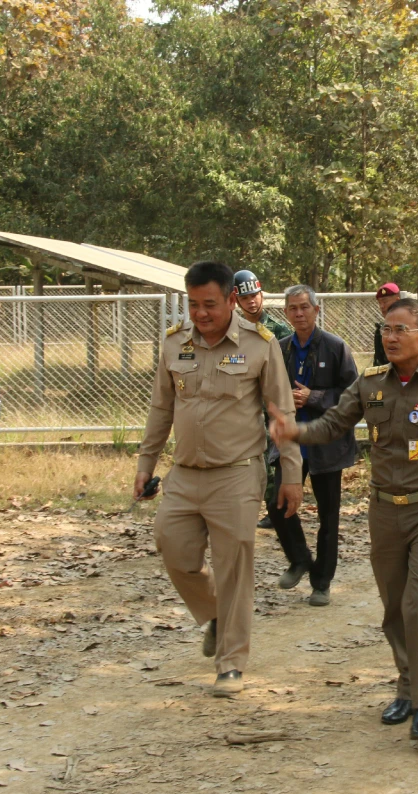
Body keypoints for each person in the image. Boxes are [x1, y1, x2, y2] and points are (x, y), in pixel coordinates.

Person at [268, 298, 418, 742]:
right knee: (394, 606)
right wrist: (296, 432)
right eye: (386, 328)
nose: (390, 336)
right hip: (384, 511)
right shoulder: (369, 385)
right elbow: (332, 425)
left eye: (401, 329)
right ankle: (406, 683)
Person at [134, 261, 302, 697]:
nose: (201, 313)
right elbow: (161, 409)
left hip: (237, 474)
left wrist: (291, 474)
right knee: (174, 548)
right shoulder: (175, 344)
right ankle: (212, 615)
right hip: (185, 474)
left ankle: (231, 662)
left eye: (209, 304)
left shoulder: (261, 345)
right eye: (193, 304)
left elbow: (281, 413)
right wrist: (145, 463)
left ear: (231, 300)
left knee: (234, 569)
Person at [267, 285, 359, 606]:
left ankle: (322, 582)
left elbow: (352, 396)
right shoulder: (279, 349)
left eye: (305, 307)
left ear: (316, 310)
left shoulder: (336, 347)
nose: (299, 313)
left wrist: (314, 397)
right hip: (291, 443)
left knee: (328, 516)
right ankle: (300, 558)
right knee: (277, 504)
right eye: (293, 308)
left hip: (326, 444)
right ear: (286, 314)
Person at [231, 270, 293, 532]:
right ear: (237, 299)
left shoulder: (279, 330)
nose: (252, 301)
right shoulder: (232, 331)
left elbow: (287, 370)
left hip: (271, 404)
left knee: (271, 458)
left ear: (261, 293)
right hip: (243, 405)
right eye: (245, 297)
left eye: (254, 295)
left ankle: (273, 509)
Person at [373, 283, 403, 366]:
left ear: (397, 301)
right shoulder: (380, 330)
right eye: (379, 303)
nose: (382, 306)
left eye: (385, 302)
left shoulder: (411, 327)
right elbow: (378, 361)